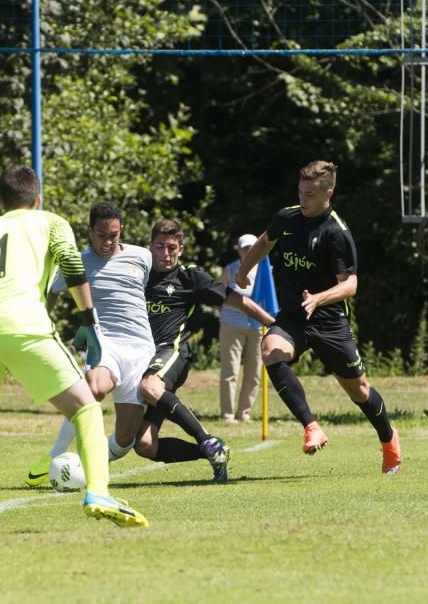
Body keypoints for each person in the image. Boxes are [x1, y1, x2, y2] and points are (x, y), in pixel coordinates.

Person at [0, 166, 148, 533]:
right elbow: (71, 264)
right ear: (36, 199)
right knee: (86, 407)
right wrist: (88, 320)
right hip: (25, 326)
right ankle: (99, 492)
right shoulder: (51, 222)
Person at [236, 160, 402, 474]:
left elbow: (351, 285)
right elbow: (265, 240)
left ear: (329, 192)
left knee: (359, 391)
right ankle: (312, 427)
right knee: (271, 351)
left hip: (329, 322)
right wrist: (245, 270)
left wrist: (318, 298)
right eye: (300, 192)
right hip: (293, 318)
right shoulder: (286, 217)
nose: (303, 199)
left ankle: (389, 439)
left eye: (310, 194)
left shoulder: (336, 233)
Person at [132, 219, 276, 483]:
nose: (166, 253)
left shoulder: (190, 277)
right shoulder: (138, 275)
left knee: (149, 387)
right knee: (144, 445)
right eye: (160, 246)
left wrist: (272, 323)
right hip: (140, 359)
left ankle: (206, 439)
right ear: (149, 247)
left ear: (181, 249)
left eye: (172, 248)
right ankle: (212, 450)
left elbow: (237, 299)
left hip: (172, 352)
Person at [26, 202, 158, 486]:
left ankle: (84, 465)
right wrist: (38, 325)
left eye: (114, 235)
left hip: (140, 349)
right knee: (94, 388)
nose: (108, 242)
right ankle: (54, 456)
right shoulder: (77, 261)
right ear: (89, 231)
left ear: (121, 230)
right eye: (101, 235)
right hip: (104, 342)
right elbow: (53, 295)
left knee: (125, 439)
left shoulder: (142, 256)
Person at [218, 233, 264, 422]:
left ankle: (244, 413)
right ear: (239, 250)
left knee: (254, 372)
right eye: (245, 248)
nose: (248, 252)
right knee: (230, 370)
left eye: (252, 248)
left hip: (257, 327)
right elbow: (218, 296)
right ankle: (227, 415)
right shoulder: (230, 270)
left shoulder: (265, 270)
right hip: (232, 325)